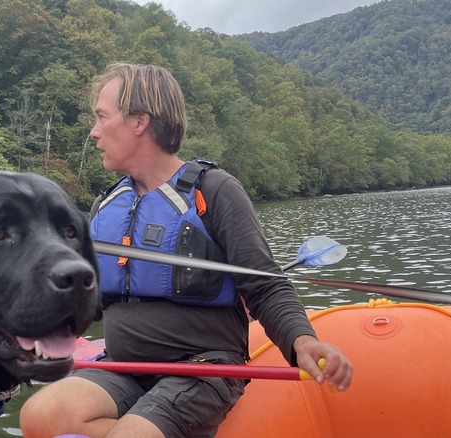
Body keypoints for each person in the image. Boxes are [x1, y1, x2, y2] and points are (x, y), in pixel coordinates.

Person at [19, 62, 353, 438]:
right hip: (124, 366)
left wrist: (302, 341)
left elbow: (266, 285)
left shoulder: (213, 191)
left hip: (202, 369)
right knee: (39, 416)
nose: (94, 133)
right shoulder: (108, 205)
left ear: (139, 122)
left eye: (101, 117)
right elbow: (88, 301)